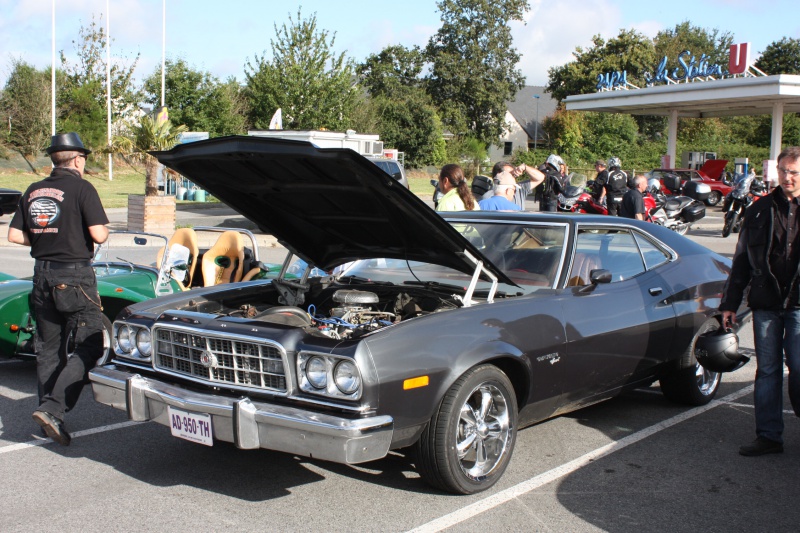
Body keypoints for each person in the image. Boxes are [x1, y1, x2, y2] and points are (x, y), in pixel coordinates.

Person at [7, 132, 109, 446]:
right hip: (75, 276)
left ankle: (45, 416)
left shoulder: (33, 189)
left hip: (41, 276)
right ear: (78, 159)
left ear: (54, 159)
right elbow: (100, 234)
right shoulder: (83, 188)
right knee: (90, 345)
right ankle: (53, 409)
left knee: (48, 351)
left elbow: (14, 235)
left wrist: (42, 238)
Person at [719, 146, 800, 457]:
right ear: (775, 172)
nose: (788, 177)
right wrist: (730, 303)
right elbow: (741, 263)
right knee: (767, 370)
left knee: (799, 367)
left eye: (794, 171)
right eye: (783, 171)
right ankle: (768, 435)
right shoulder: (758, 210)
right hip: (766, 302)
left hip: (798, 304)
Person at [479, 161, 544, 211]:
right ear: (499, 175)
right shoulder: (487, 196)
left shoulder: (520, 188)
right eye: (511, 173)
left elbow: (540, 177)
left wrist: (525, 167)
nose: (515, 174)